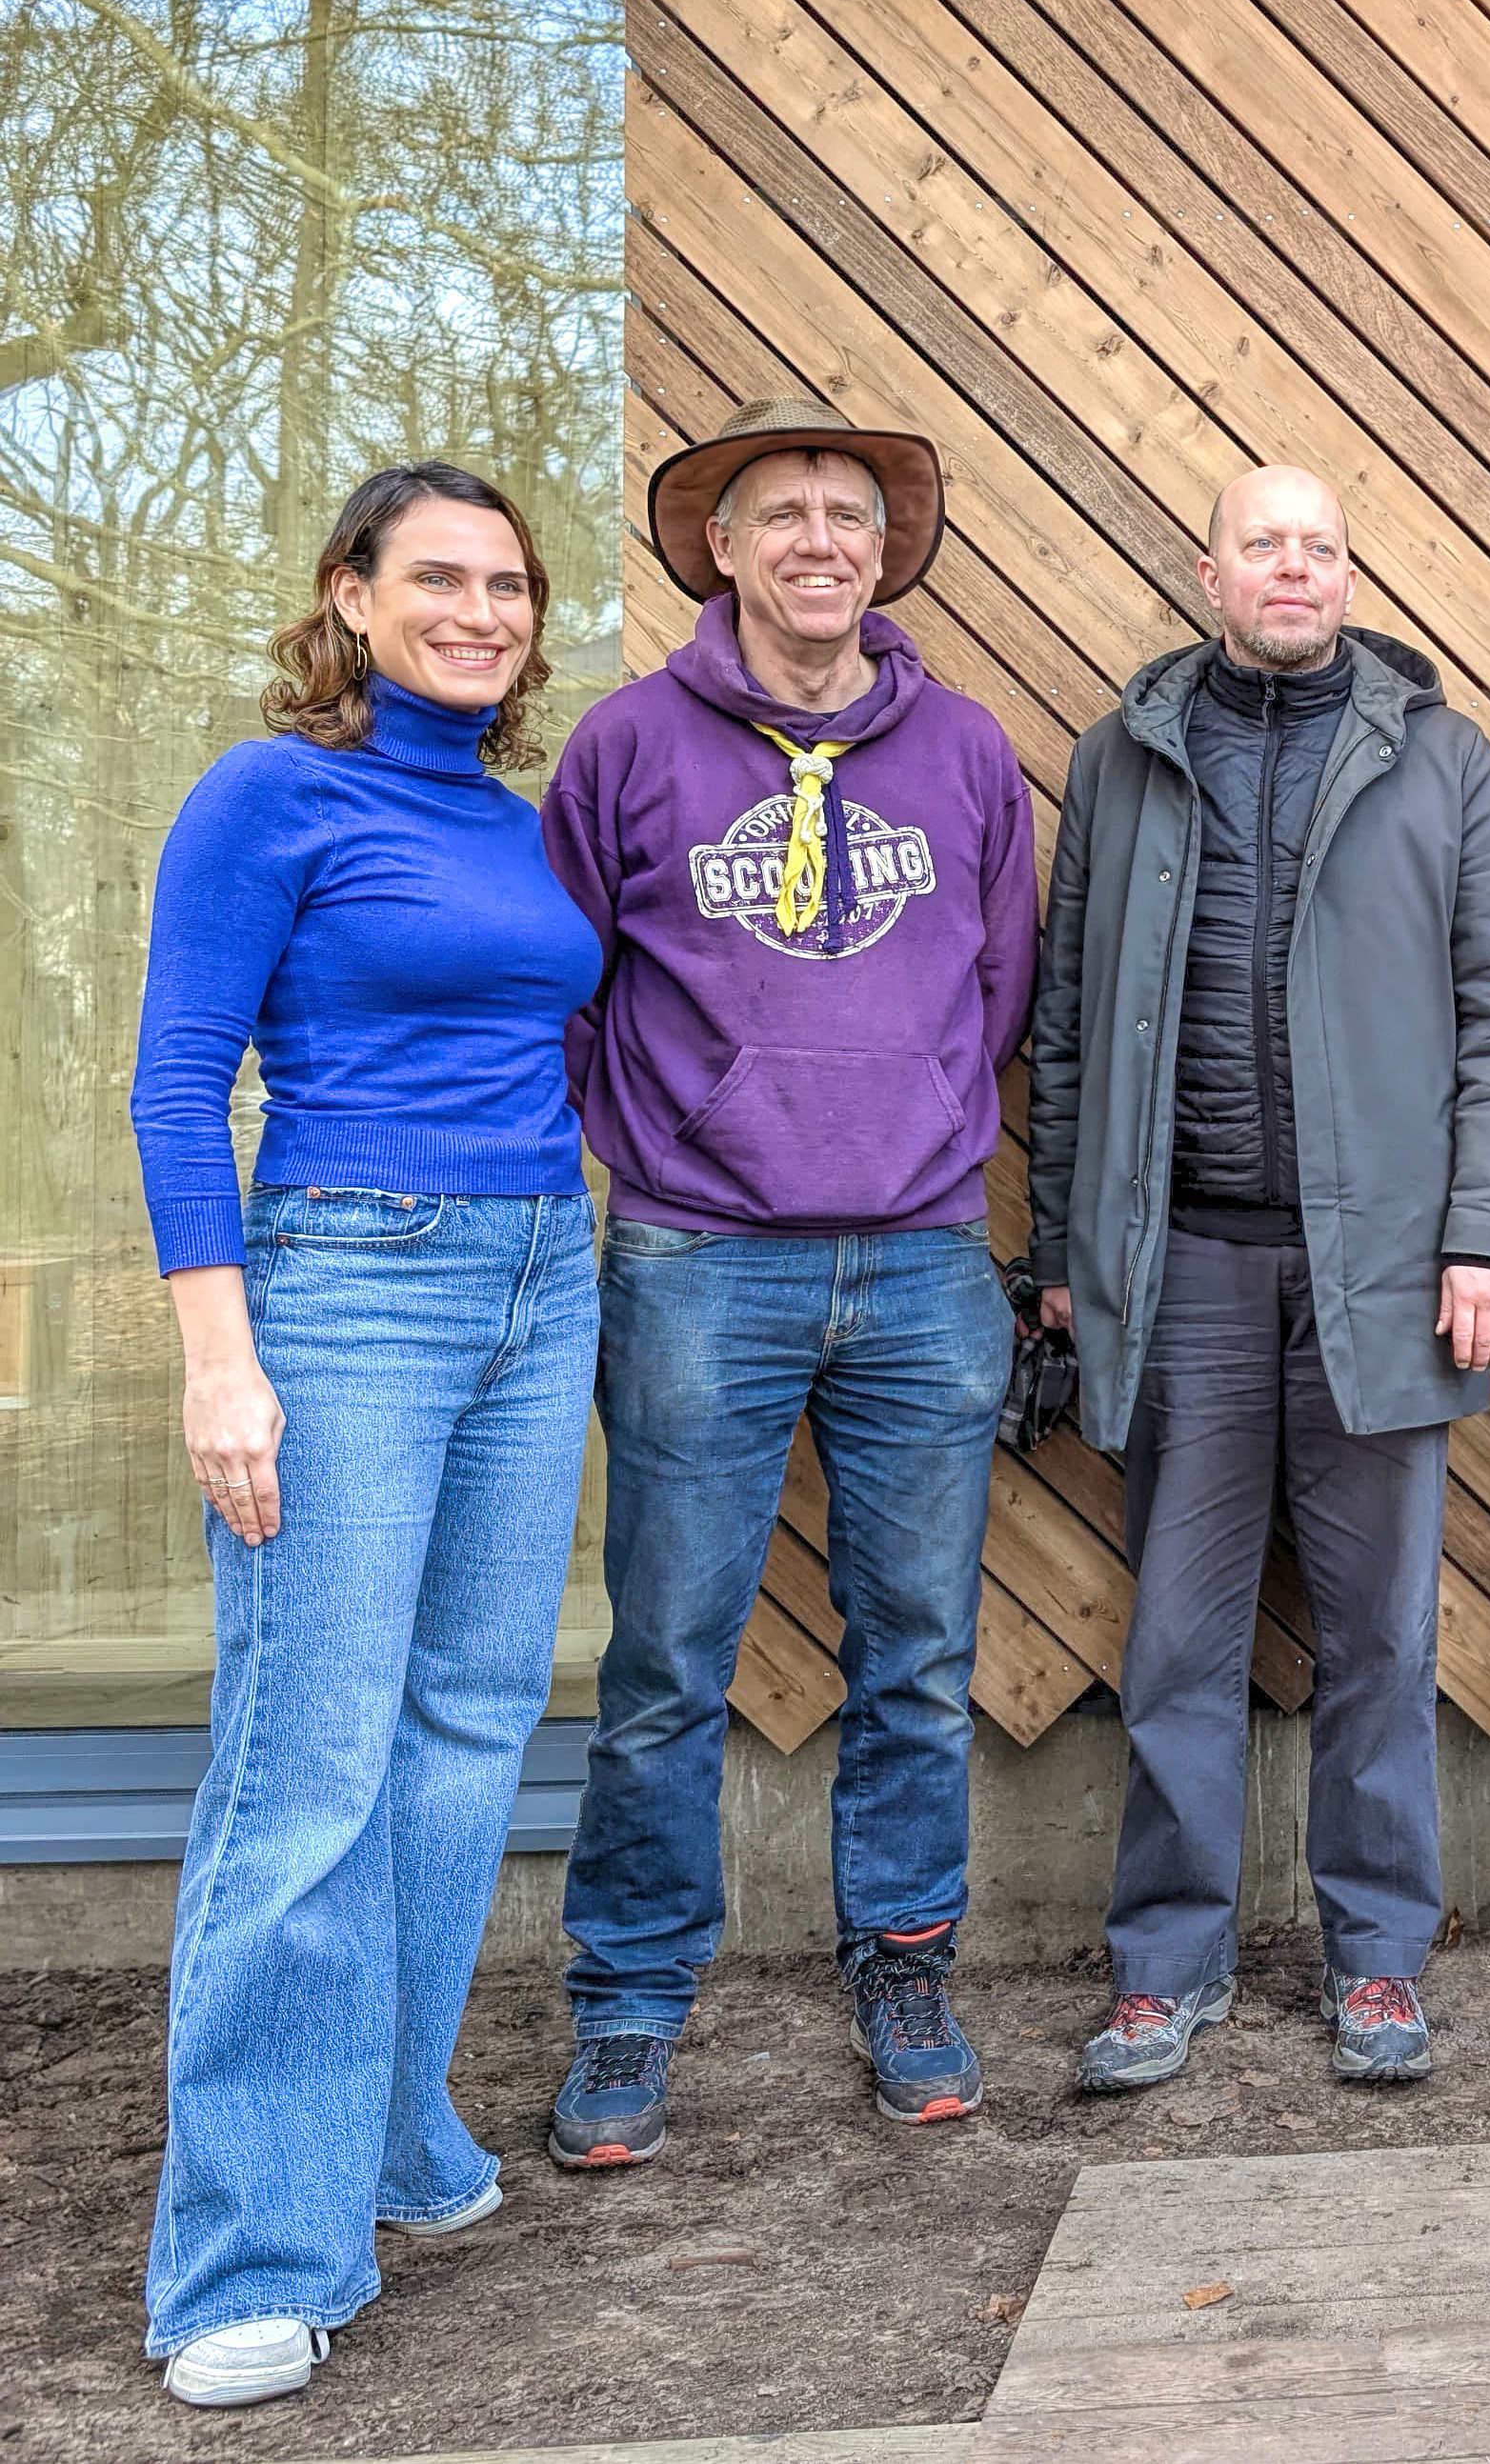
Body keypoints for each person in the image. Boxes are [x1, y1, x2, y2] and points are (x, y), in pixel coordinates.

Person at [129, 466, 602, 2409]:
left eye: (509, 585)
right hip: (351, 1283)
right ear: (351, 594)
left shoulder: (511, 818)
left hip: (541, 1276)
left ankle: (391, 2132)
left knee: (466, 1730)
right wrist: (217, 1359)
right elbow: (178, 1081)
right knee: (306, 1760)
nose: (480, 612)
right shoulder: (268, 795)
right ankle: (252, 2250)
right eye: (439, 578)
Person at [540, 397, 1037, 2162]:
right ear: (724, 550)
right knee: (669, 1661)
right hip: (698, 1261)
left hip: (920, 1260)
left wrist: (911, 1131)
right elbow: (566, 987)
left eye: (851, 515)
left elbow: (1000, 988)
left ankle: (904, 1965)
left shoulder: (965, 751)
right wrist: (684, 1139)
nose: (822, 540)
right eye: (784, 514)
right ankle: (628, 1997)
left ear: (884, 555)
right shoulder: (625, 745)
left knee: (920, 1655)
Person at [1032, 464, 1490, 2090]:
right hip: (1182, 1262)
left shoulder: (1440, 759)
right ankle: (1163, 1967)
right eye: (1262, 544)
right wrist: (1065, 1254)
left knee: (1382, 1640)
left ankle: (1379, 1960)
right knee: (1178, 1643)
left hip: (1383, 1272)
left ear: (1347, 579)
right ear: (1211, 575)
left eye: (1318, 548)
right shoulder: (1123, 756)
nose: (1292, 568)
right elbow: (1065, 1028)